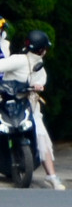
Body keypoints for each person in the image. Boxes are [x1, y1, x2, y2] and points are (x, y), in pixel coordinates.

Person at [0, 30, 62, 189]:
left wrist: (36, 87)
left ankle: (52, 176)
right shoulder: (19, 60)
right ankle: (52, 176)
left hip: (28, 106)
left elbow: (40, 83)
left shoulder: (39, 68)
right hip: (6, 104)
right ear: (42, 49)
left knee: (41, 134)